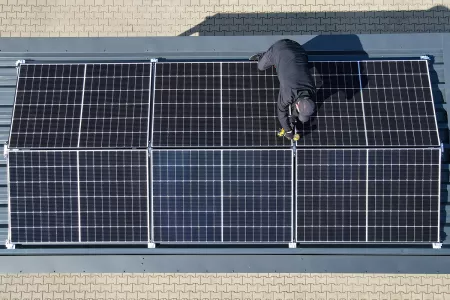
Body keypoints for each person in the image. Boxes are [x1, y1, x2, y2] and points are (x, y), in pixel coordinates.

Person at [250, 39, 316, 141]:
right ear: (297, 105)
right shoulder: (287, 94)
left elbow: (298, 103)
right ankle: (263, 56)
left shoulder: (311, 88)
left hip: (300, 50)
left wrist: (293, 118)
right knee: (261, 66)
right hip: (279, 48)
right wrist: (288, 131)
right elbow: (281, 112)